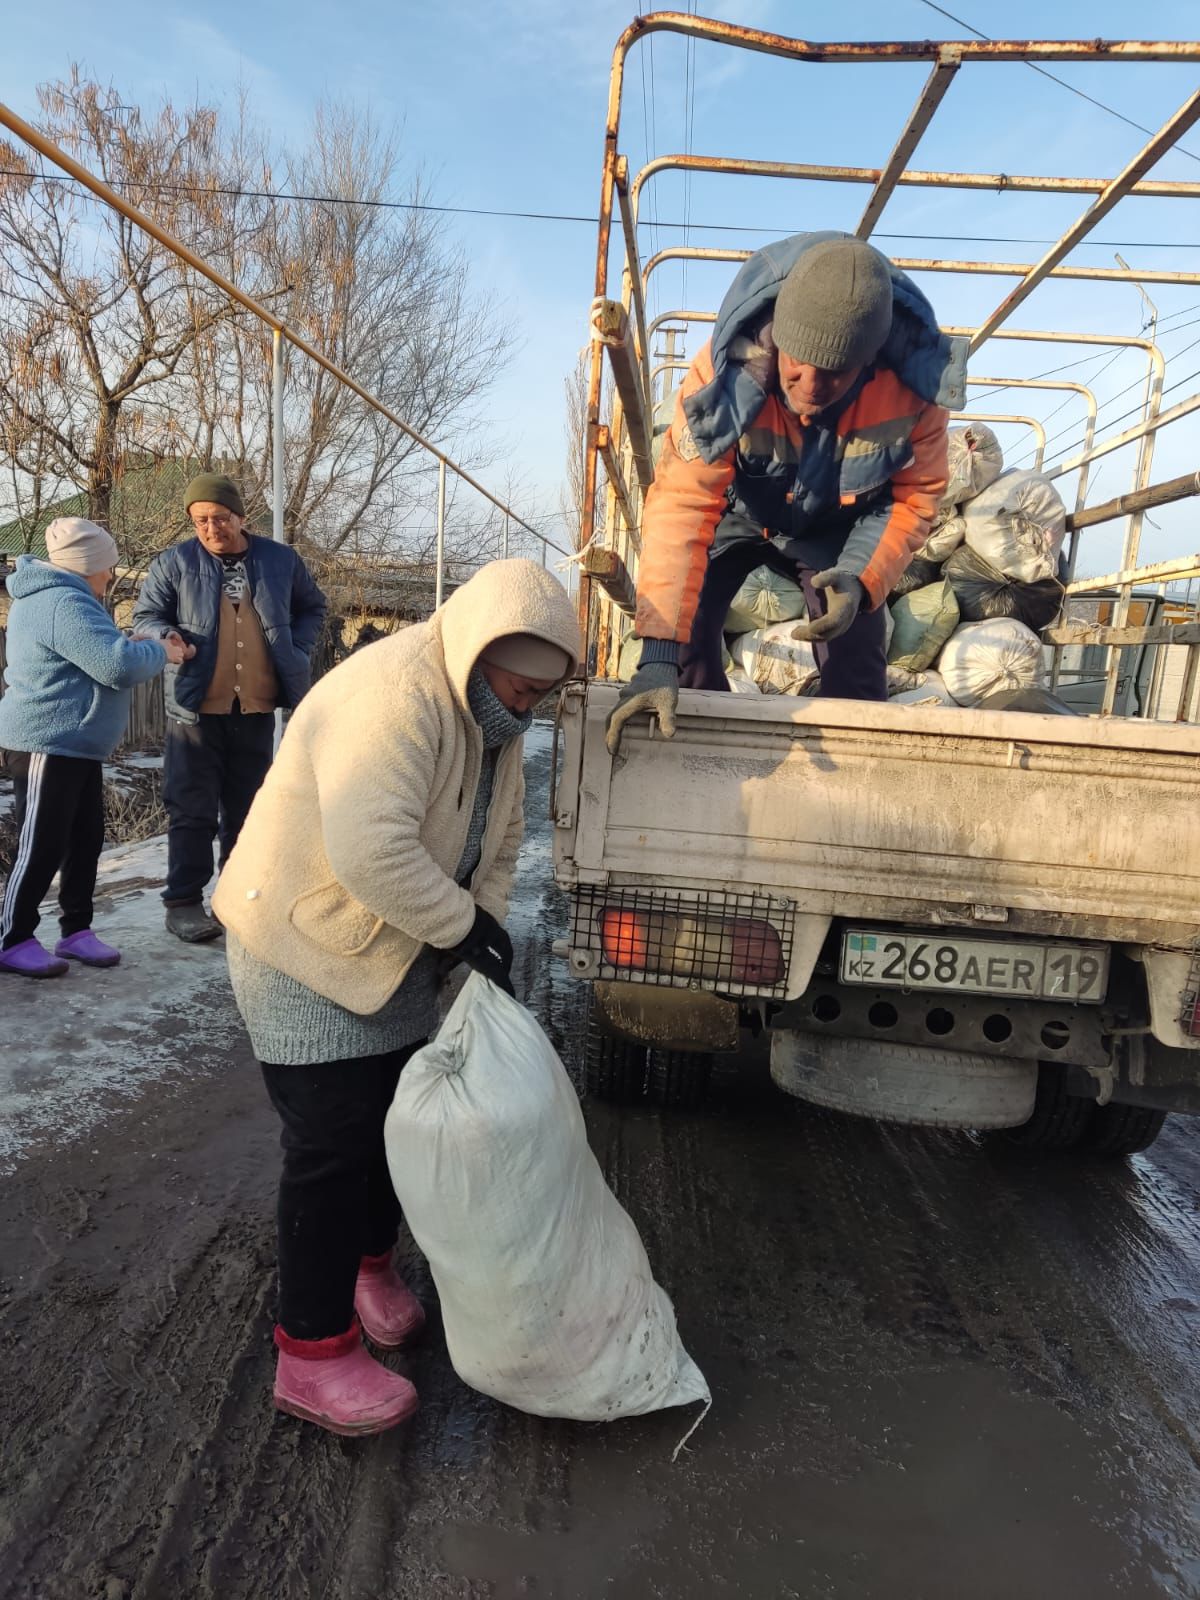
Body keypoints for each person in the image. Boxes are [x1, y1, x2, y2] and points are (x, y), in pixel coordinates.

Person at [212, 558, 581, 1437]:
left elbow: (502, 834)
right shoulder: (395, 695)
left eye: (542, 695)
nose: (528, 708)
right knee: (331, 1147)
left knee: (394, 1124)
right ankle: (312, 1352)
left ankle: (368, 1269)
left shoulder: (494, 712)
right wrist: (462, 926)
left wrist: (484, 925)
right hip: (302, 941)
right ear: (480, 652)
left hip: (395, 945)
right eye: (521, 689)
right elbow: (370, 849)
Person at [606, 232, 963, 752]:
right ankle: (704, 762)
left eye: (835, 373)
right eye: (797, 363)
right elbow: (683, 503)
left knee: (858, 660)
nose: (811, 387)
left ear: (870, 361)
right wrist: (658, 652)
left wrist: (860, 579)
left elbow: (915, 496)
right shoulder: (723, 373)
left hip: (835, 531)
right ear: (778, 336)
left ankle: (845, 781)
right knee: (683, 646)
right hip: (736, 510)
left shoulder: (914, 393)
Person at [133, 473, 327, 944]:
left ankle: (238, 900)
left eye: (219, 518)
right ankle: (183, 903)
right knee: (192, 809)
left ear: (241, 517)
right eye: (200, 520)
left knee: (248, 810)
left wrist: (297, 649)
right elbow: (146, 616)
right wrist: (166, 635)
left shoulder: (280, 560)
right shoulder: (174, 563)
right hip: (195, 709)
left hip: (255, 708)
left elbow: (312, 607)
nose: (210, 528)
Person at [0, 517, 189, 978]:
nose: (110, 574)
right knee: (41, 844)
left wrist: (130, 641)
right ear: (86, 565)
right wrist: (162, 651)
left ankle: (75, 930)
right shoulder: (60, 601)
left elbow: (93, 653)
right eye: (107, 565)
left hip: (76, 743)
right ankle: (12, 938)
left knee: (85, 840)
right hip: (48, 741)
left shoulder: (70, 600)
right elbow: (115, 667)